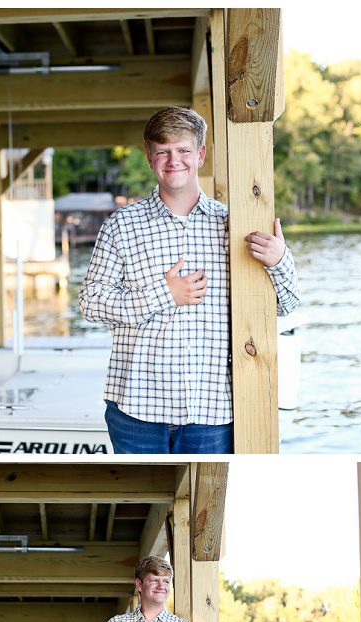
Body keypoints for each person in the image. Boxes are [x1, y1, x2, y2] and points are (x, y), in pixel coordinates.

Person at [79, 106, 302, 454]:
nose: (174, 160)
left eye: (183, 150)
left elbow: (287, 304)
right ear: (150, 158)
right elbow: (90, 303)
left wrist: (278, 260)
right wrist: (164, 294)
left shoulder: (234, 225)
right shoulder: (121, 226)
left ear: (200, 155)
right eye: (163, 151)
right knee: (141, 507)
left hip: (211, 412)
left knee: (206, 507)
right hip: (136, 409)